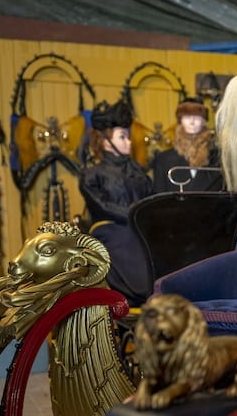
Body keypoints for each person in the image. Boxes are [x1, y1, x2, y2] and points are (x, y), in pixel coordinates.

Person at [79, 99, 153, 306]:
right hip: (112, 231)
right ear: (104, 141)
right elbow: (101, 206)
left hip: (139, 229)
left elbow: (151, 197)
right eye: (122, 137)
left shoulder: (139, 172)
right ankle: (141, 292)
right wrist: (133, 214)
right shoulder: (92, 175)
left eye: (128, 137)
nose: (129, 142)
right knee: (129, 240)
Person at [150, 98, 223, 193]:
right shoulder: (164, 160)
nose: (192, 122)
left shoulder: (217, 159)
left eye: (197, 117)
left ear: (204, 121)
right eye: (187, 116)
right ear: (180, 120)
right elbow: (159, 198)